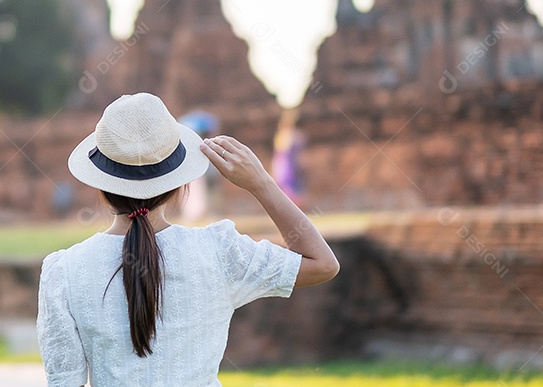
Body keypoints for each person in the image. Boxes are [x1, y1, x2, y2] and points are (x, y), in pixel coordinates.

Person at [37, 93, 340, 386]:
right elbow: (323, 264)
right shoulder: (219, 251)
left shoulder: (63, 272)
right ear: (179, 184)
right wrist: (261, 183)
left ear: (101, 185)